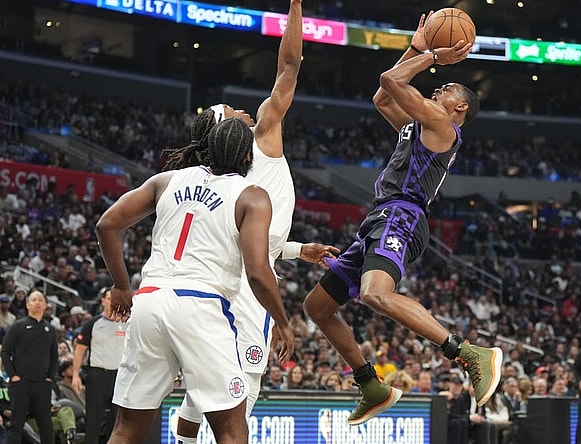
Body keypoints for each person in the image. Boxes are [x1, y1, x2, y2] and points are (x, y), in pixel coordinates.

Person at [302, 12, 496, 427]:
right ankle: (370, 383)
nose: (438, 88)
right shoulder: (419, 125)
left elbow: (393, 82)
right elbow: (383, 97)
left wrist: (429, 54)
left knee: (374, 294)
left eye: (445, 88)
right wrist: (416, 46)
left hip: (402, 216)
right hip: (380, 217)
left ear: (459, 106)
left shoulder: (442, 123)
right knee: (317, 306)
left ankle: (465, 352)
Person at [165, 1, 338, 441]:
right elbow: (290, 64)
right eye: (232, 110)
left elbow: (259, 237)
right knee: (247, 382)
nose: (241, 109)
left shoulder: (212, 176)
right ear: (226, 130)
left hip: (222, 276)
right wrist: (297, 6)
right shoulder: (262, 134)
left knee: (202, 388)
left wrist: (299, 249)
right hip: (245, 283)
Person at [96, 117, 294, 444]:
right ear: (249, 157)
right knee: (232, 429)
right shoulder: (252, 196)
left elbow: (107, 225)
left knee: (126, 429)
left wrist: (120, 286)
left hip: (150, 300)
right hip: (201, 306)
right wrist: (283, 322)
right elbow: (258, 273)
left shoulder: (167, 180)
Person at [0, 290, 58, 444]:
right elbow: (5, 352)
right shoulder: (18, 326)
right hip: (21, 383)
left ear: (45, 305)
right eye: (33, 300)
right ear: (27, 305)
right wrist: (13, 375)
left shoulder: (50, 330)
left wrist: (50, 377)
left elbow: (54, 357)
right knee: (16, 425)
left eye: (40, 300)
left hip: (42, 384)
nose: (37, 302)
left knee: (46, 425)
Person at [71, 287, 126, 444]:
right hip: (97, 375)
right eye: (108, 298)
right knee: (93, 420)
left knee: (117, 421)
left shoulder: (126, 323)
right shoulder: (93, 323)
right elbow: (80, 350)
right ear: (103, 301)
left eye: (114, 299)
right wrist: (76, 374)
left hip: (120, 376)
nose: (111, 302)